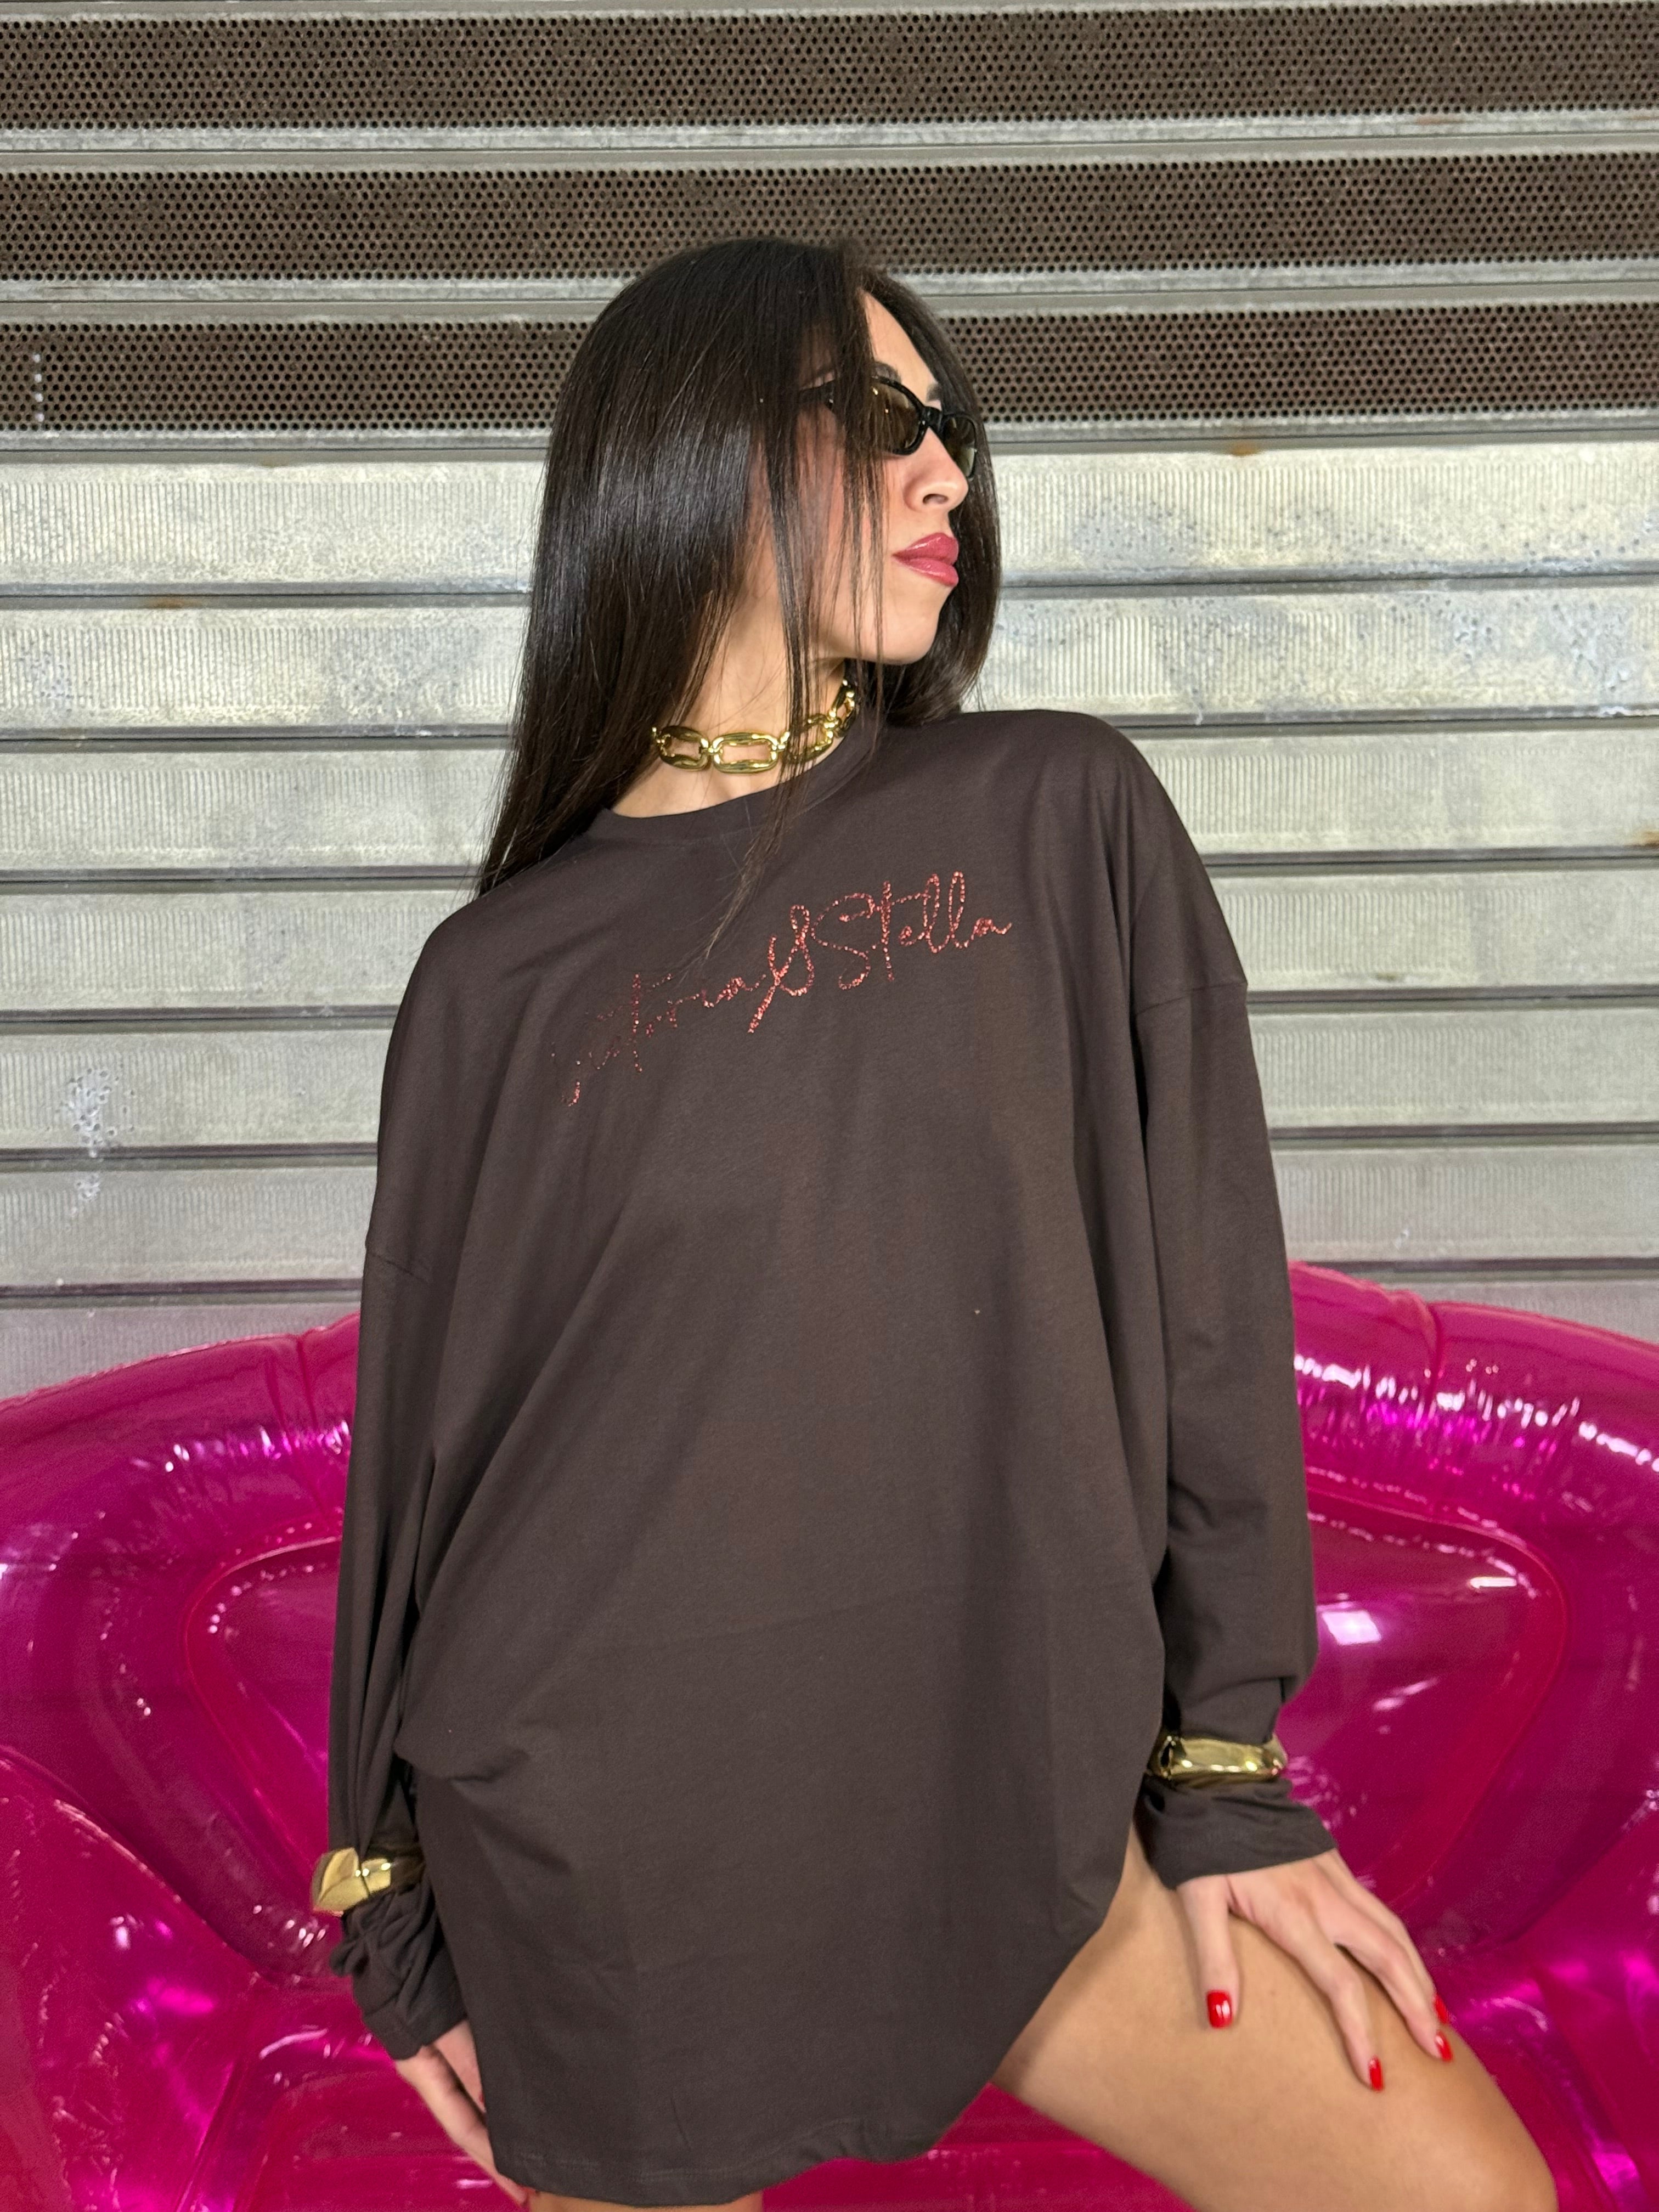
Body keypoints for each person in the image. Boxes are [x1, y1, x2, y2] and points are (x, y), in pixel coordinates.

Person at [314, 235, 1558, 2212]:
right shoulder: (496, 982)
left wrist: (1223, 1765)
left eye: (949, 430)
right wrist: (390, 1898)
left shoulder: (1057, 816)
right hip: (608, 1860)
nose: (947, 473)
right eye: (880, 419)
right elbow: (427, 1457)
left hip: (1013, 1786)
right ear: (699, 447)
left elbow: (1206, 1304)